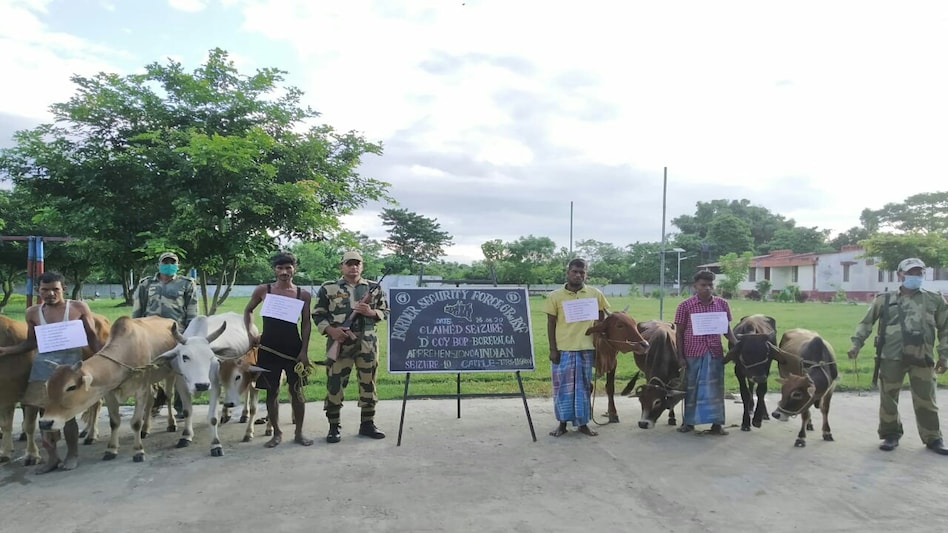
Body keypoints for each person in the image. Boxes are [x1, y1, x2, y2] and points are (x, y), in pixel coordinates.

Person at [0, 272, 103, 473]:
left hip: (69, 368)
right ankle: (52, 457)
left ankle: (72, 454)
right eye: (45, 290)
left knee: (67, 414)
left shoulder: (78, 308)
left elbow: (92, 338)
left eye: (55, 289)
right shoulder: (32, 313)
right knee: (41, 413)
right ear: (38, 290)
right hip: (42, 368)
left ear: (63, 289)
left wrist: (102, 359)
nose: (50, 294)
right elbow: (31, 342)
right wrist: (7, 350)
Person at [847, 257, 948, 455]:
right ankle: (890, 434)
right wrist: (856, 344)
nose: (915, 276)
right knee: (888, 398)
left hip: (923, 357)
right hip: (891, 357)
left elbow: (946, 329)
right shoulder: (884, 299)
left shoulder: (934, 299)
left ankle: (933, 438)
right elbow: (866, 323)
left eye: (919, 273)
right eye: (911, 273)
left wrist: (944, 355)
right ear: (900, 274)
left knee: (926, 398)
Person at [312, 250, 389, 443]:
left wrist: (371, 312)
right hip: (340, 342)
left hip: (367, 343)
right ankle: (334, 426)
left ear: (362, 266)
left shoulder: (373, 288)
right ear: (342, 266)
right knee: (335, 384)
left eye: (357, 263)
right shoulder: (329, 288)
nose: (353, 267)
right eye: (349, 263)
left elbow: (385, 311)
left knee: (368, 382)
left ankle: (367, 424)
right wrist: (331, 331)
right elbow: (318, 314)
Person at [243, 252, 314, 447]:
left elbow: (306, 324)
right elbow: (248, 310)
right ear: (274, 269)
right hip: (268, 348)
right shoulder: (264, 290)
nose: (284, 272)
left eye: (288, 268)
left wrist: (304, 351)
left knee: (297, 391)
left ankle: (299, 433)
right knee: (271, 392)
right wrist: (251, 334)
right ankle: (277, 433)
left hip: (293, 349)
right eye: (280, 268)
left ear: (294, 269)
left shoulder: (303, 294)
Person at [544, 258, 608, 438]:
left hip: (586, 349)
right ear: (568, 272)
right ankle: (562, 423)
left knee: (583, 388)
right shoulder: (555, 296)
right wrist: (553, 349)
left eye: (582, 272)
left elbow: (602, 318)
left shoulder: (595, 294)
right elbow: (550, 323)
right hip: (563, 349)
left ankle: (583, 423)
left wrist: (598, 340)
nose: (578, 275)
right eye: (575, 272)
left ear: (586, 274)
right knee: (562, 389)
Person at [132, 251, 198, 419]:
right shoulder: (146, 284)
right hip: (150, 335)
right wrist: (134, 331)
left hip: (176, 333)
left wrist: (190, 336)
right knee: (151, 368)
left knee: (179, 370)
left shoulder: (186, 283)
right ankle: (153, 404)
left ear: (177, 265)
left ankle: (180, 406)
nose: (169, 265)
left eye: (172, 262)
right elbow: (138, 310)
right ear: (159, 264)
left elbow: (192, 311)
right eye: (165, 262)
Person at [674, 270, 736, 435]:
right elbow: (678, 333)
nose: (707, 288)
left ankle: (717, 424)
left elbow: (726, 330)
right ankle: (688, 423)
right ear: (695, 286)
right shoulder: (685, 306)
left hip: (715, 352)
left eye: (710, 285)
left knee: (715, 389)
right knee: (691, 388)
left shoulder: (721, 304)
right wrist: (680, 357)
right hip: (693, 352)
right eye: (703, 285)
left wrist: (736, 344)